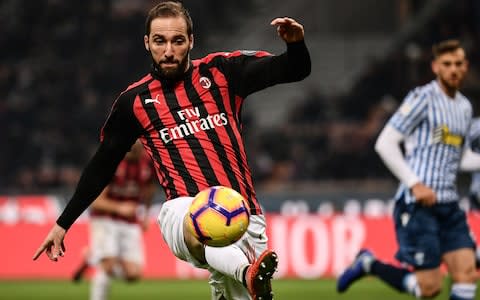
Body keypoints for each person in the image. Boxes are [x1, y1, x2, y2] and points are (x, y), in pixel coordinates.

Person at [33, 2, 311, 300]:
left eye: (177, 41)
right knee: (194, 216)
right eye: (159, 41)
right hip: (181, 209)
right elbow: (102, 165)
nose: (168, 51)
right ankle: (246, 272)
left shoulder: (223, 73)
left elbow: (295, 70)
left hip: (244, 215)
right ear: (146, 43)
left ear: (191, 40)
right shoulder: (134, 102)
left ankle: (247, 275)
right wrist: (64, 223)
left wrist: (295, 45)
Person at [337, 39, 480, 300]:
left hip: (449, 205)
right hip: (417, 205)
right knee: (430, 288)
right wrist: (415, 183)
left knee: (467, 274)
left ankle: (369, 264)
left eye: (458, 64)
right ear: (436, 67)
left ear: (466, 66)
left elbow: (459, 159)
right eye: (447, 64)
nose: (453, 70)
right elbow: (386, 143)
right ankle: (369, 264)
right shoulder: (422, 98)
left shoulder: (464, 107)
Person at [70, 140, 156, 300]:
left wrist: (146, 214)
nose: (136, 146)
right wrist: (120, 208)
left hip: (130, 222)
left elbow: (150, 188)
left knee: (133, 274)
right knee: (107, 267)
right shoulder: (112, 164)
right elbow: (95, 201)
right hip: (105, 219)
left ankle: (92, 257)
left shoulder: (148, 163)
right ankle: (100, 261)